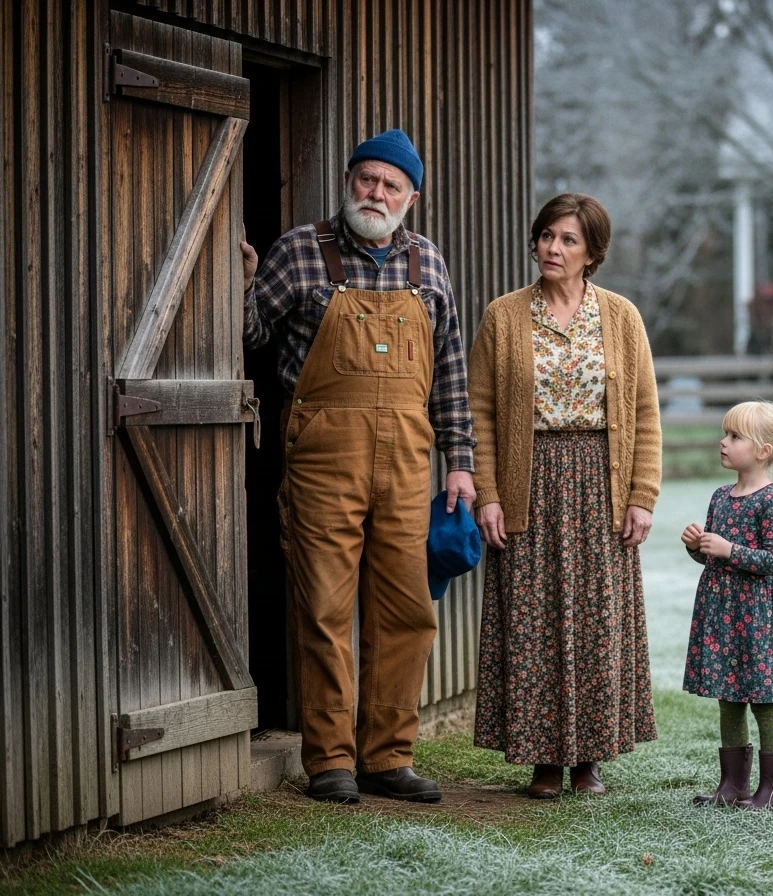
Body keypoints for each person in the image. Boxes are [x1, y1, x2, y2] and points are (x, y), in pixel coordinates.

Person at [240, 129, 476, 805]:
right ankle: (330, 761)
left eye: (389, 185)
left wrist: (459, 464)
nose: (374, 193)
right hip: (322, 460)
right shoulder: (301, 251)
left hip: (407, 462)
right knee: (323, 608)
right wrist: (243, 282)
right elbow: (249, 337)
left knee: (406, 609)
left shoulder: (428, 265)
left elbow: (451, 371)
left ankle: (387, 756)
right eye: (366, 179)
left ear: (412, 197)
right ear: (350, 181)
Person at [468, 193, 661, 798]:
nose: (554, 248)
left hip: (601, 484)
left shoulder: (622, 317)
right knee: (533, 622)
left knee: (596, 623)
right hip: (530, 483)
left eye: (569, 239)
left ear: (592, 252)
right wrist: (489, 494)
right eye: (547, 235)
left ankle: (589, 759)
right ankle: (542, 760)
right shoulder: (503, 316)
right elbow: (480, 414)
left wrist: (642, 495)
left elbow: (647, 413)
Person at [682, 400, 773, 811]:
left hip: (754, 615)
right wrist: (698, 547)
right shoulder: (721, 496)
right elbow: (712, 557)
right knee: (728, 697)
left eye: (734, 436)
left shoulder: (772, 501)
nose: (723, 441)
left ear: (762, 452)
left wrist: (728, 547)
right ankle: (732, 785)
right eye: (725, 433)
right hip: (721, 611)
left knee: (762, 698)